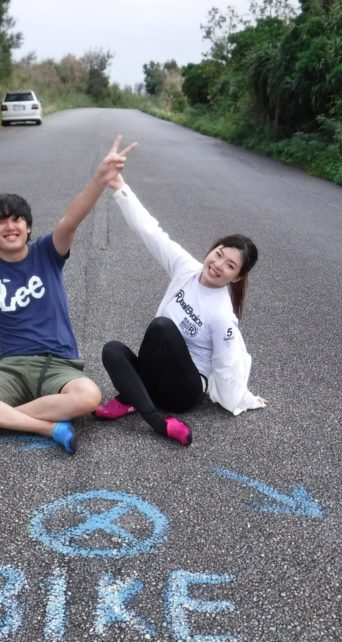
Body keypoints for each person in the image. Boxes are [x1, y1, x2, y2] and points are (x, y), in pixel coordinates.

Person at [0, 135, 137, 455]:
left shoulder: (47, 252)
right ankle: (47, 426)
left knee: (88, 396)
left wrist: (101, 178)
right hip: (12, 367)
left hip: (57, 365)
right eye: (0, 222)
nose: (10, 226)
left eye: (17, 219)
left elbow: (72, 218)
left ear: (28, 227)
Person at [94, 158, 266, 446]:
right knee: (112, 350)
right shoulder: (186, 268)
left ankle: (145, 411)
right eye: (219, 253)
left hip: (183, 391)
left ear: (236, 278)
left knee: (162, 327)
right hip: (156, 378)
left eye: (230, 266)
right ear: (212, 249)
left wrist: (242, 398)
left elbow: (228, 362)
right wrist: (120, 187)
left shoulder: (223, 313)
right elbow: (151, 232)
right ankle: (142, 403)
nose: (218, 264)